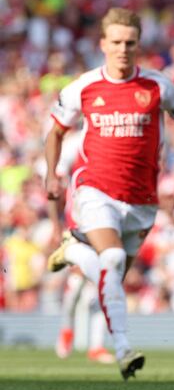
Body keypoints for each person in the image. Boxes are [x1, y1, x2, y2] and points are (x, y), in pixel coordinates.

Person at [44, 7, 174, 380]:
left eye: (130, 42)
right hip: (95, 190)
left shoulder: (158, 87)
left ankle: (75, 251)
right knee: (111, 259)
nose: (123, 49)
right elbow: (54, 132)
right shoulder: (83, 87)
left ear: (138, 44)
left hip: (142, 200)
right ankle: (123, 348)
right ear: (103, 44)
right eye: (116, 42)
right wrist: (51, 174)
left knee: (111, 276)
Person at [46, 131, 114, 364]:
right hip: (77, 227)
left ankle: (96, 346)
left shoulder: (111, 147)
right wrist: (57, 225)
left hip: (103, 225)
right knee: (75, 287)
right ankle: (66, 331)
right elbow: (54, 187)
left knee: (100, 288)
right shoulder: (75, 147)